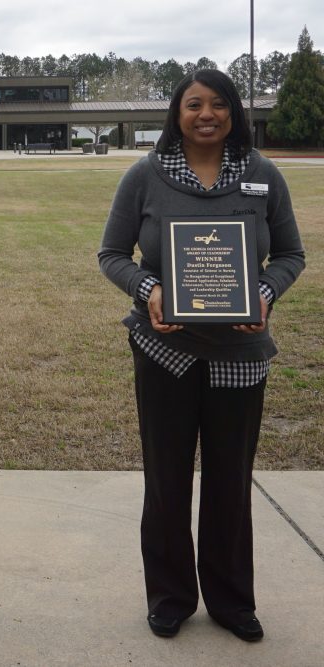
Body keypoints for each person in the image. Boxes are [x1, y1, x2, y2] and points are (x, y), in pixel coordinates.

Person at [98, 70, 304, 641]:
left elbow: (290, 254)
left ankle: (232, 601)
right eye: (194, 104)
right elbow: (113, 254)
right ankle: (169, 596)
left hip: (240, 353)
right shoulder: (145, 176)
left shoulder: (264, 176)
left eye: (218, 104)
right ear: (177, 113)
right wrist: (150, 291)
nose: (206, 114)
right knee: (166, 478)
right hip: (165, 351)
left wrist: (262, 295)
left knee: (231, 481)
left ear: (234, 113)